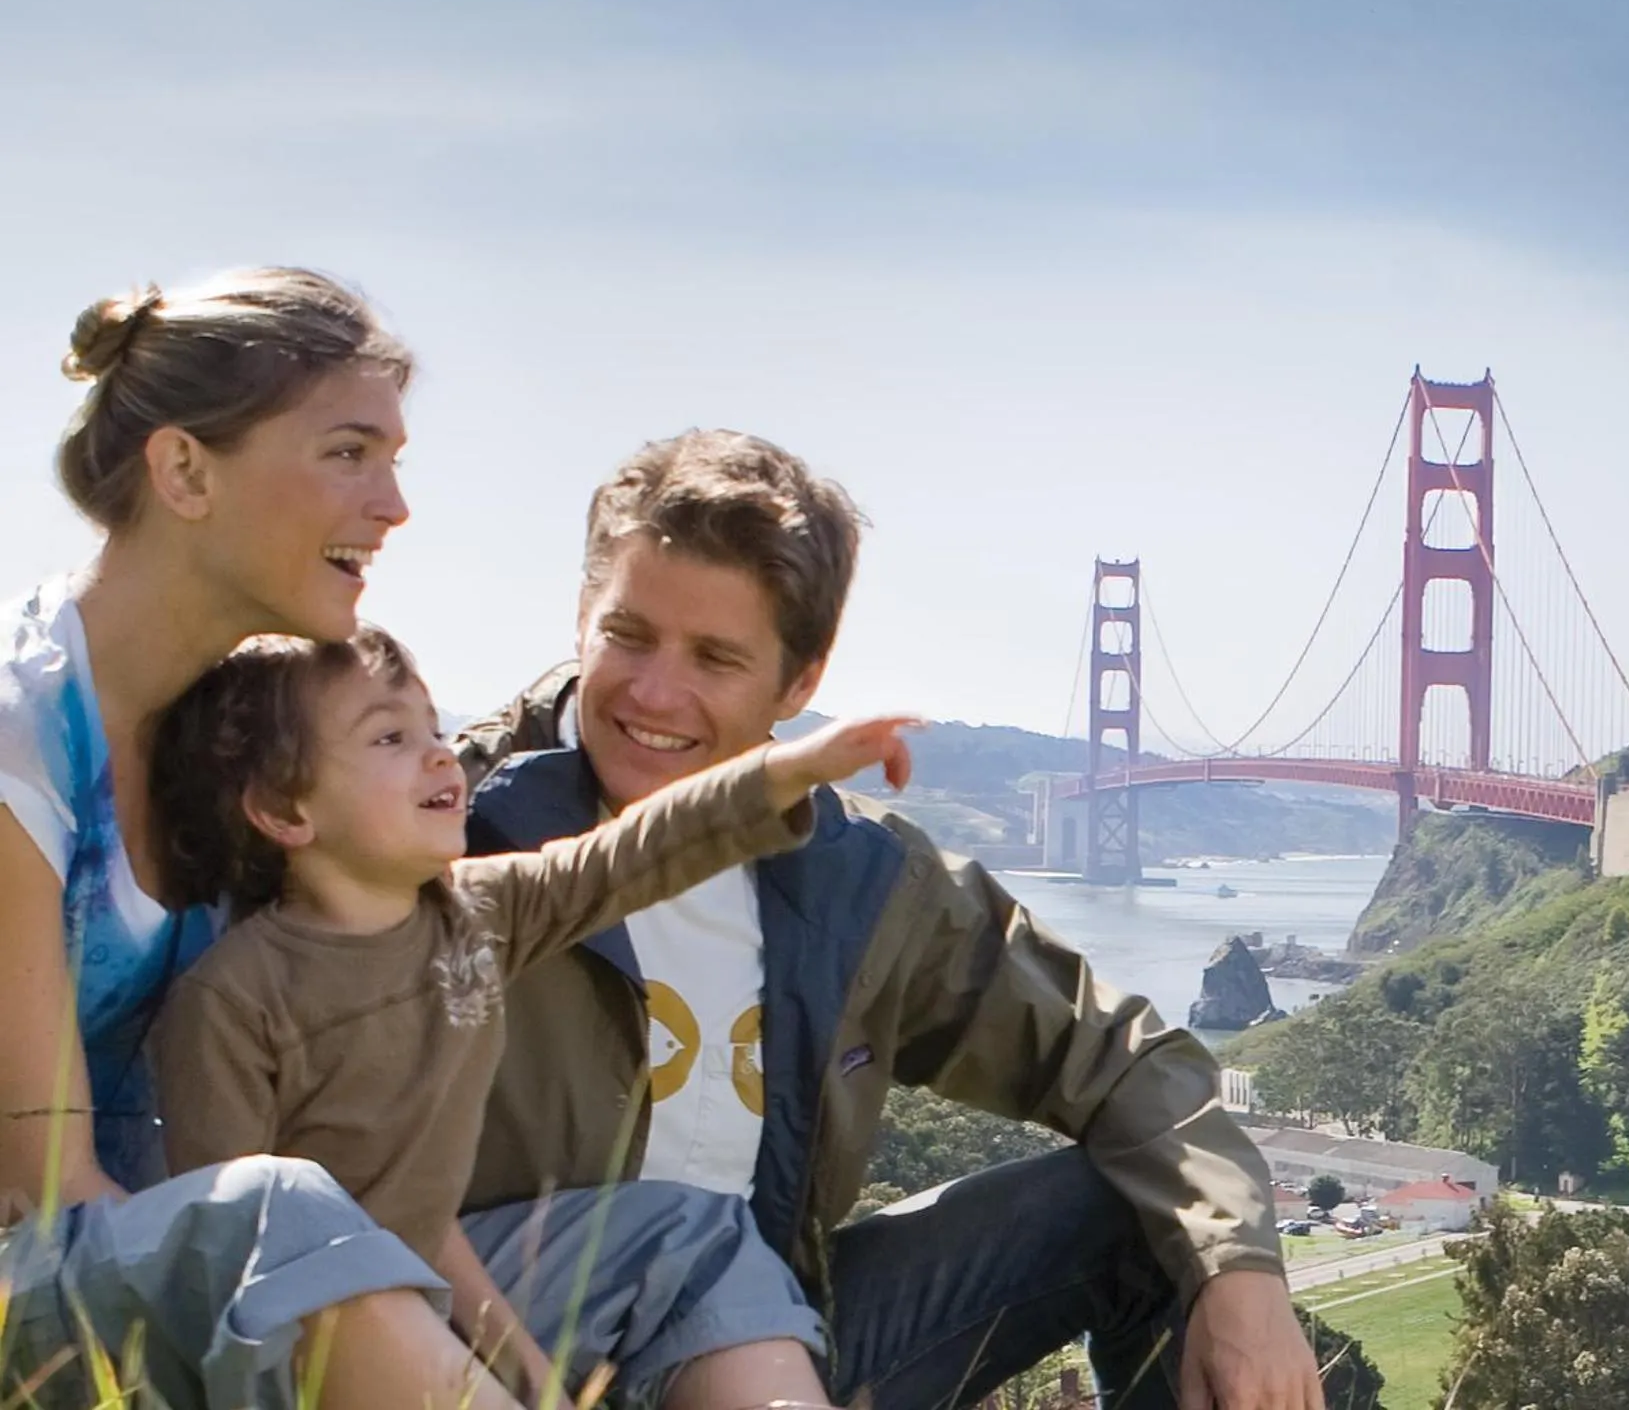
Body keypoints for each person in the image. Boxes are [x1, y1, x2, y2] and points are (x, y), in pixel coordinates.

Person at [456, 430, 1322, 1410]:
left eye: (713, 657)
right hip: (480, 1363)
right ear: (581, 615)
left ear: (799, 683)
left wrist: (1241, 1273)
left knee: (1151, 1207)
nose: (655, 693)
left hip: (771, 1355)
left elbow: (1124, 1060)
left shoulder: (860, 882)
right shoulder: (435, 820)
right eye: (627, 635)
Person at [147, 622, 915, 1409]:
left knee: (696, 1233)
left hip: (445, 1273)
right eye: (390, 738)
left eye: (433, 729)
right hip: (309, 1330)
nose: (441, 754)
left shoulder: (476, 914)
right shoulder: (232, 1001)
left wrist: (788, 770)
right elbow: (223, 1266)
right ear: (283, 809)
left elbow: (636, 853)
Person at [1, 270, 520, 1409]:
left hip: (172, 1244)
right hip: (34, 1278)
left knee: (659, 1239)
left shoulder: (237, 735)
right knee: (277, 1217)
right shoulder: (19, 744)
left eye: (394, 461)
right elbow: (46, 1193)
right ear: (184, 471)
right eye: (347, 452)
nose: (393, 506)